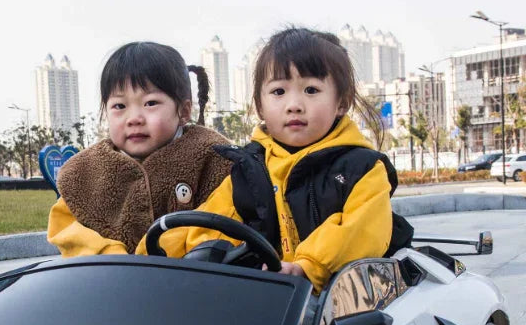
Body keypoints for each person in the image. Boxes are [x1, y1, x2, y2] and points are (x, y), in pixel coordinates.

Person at [139, 27, 412, 291]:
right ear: (260, 105)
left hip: (344, 305)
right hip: (275, 302)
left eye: (311, 90)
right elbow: (206, 222)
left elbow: (361, 232)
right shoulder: (249, 170)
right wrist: (148, 256)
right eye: (279, 92)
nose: (294, 104)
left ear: (341, 102)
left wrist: (308, 266)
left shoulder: (362, 168)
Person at [47, 42, 232, 257]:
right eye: (119, 106)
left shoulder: (214, 157)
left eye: (150, 103)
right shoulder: (85, 172)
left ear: (183, 111)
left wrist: (166, 250)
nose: (134, 118)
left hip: (190, 279)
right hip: (110, 281)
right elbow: (66, 227)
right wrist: (109, 254)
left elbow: (222, 214)